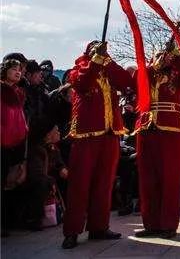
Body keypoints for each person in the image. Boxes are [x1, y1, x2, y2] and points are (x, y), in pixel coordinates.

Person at [61, 41, 134, 249]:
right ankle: (72, 231)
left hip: (110, 134)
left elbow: (126, 81)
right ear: (88, 53)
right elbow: (82, 84)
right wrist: (94, 61)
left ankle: (99, 226)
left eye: (101, 49)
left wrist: (108, 62)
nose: (100, 52)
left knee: (104, 183)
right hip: (86, 135)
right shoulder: (78, 70)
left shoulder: (108, 70)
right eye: (95, 49)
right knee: (80, 184)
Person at [133, 42, 180, 239]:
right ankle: (151, 224)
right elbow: (137, 77)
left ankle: (168, 225)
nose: (163, 58)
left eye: (165, 56)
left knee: (169, 179)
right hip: (146, 128)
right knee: (148, 179)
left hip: (171, 130)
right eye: (160, 55)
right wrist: (155, 64)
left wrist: (175, 54)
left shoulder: (178, 76)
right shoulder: (149, 74)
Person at [1, 58, 29, 236]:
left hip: (16, 142)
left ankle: (9, 221)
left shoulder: (18, 92)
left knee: (12, 182)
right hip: (2, 142)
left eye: (19, 69)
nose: (17, 72)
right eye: (13, 69)